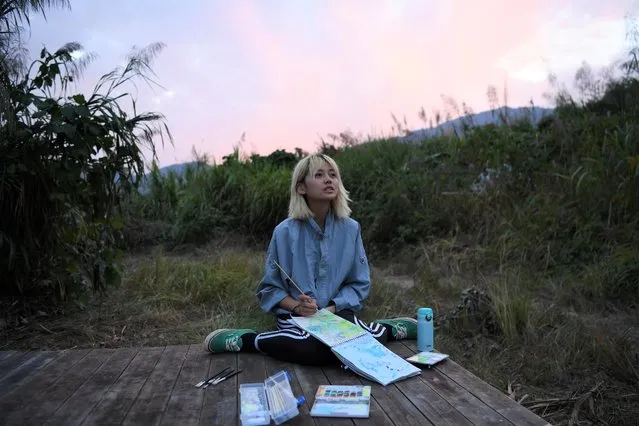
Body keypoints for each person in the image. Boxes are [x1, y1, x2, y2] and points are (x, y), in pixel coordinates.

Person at [203, 153, 417, 365]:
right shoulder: (284, 232)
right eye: (319, 175)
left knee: (364, 346)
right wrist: (297, 306)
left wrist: (331, 308)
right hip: (297, 319)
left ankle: (389, 328)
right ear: (301, 187)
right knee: (310, 348)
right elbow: (269, 290)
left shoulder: (351, 229)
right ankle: (247, 340)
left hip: (336, 315)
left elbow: (359, 284)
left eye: (333, 174)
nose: (328, 179)